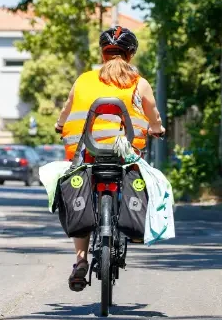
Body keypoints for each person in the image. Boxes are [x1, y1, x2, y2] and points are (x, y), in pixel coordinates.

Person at [54, 25, 165, 292]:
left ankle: (80, 261)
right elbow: (154, 117)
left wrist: (60, 126)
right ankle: (132, 225)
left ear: (103, 54)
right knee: (138, 178)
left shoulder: (84, 80)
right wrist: (157, 129)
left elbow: (67, 111)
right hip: (125, 155)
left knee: (80, 194)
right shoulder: (139, 83)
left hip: (87, 154)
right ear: (131, 54)